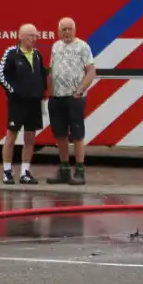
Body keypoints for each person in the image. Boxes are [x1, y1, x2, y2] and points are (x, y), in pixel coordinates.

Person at [46, 17, 95, 185]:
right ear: (59, 31)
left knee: (77, 134)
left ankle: (80, 170)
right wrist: (50, 93)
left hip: (75, 98)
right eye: (63, 29)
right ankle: (64, 169)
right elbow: (52, 71)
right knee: (60, 135)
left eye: (69, 29)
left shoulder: (83, 47)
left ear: (75, 30)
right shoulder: (55, 47)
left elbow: (91, 71)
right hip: (57, 98)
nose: (67, 32)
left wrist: (80, 91)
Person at [0, 24, 48, 184]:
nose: (34, 39)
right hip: (17, 103)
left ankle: (25, 172)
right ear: (20, 36)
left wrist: (42, 93)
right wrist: (13, 91)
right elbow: (1, 75)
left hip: (34, 103)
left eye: (35, 36)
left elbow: (42, 75)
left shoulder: (38, 55)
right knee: (11, 136)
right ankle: (7, 172)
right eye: (30, 35)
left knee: (30, 138)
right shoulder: (12, 53)